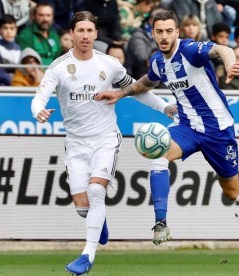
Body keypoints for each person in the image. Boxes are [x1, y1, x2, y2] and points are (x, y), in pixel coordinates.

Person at [95, 9, 239, 249]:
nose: (164, 36)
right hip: (187, 126)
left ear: (177, 32)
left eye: (169, 31)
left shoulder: (189, 50)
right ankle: (161, 223)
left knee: (231, 191)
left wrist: (230, 65)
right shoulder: (158, 61)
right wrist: (120, 93)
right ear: (153, 34)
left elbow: (223, 50)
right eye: (159, 32)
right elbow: (147, 82)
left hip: (218, 129)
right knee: (158, 154)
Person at [31, 11, 175, 275]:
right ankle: (99, 222)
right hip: (75, 143)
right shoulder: (60, 67)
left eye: (90, 31)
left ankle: (87, 255)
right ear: (72, 34)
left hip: (105, 138)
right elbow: (39, 96)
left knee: (97, 192)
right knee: (82, 205)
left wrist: (165, 107)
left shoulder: (109, 65)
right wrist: (38, 110)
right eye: (80, 31)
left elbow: (135, 90)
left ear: (96, 34)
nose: (85, 35)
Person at [0, 14, 21, 86]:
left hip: (17, 84)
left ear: (16, 30)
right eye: (5, 28)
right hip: (1, 86)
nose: (8, 31)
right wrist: (15, 80)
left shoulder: (18, 48)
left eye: (12, 28)